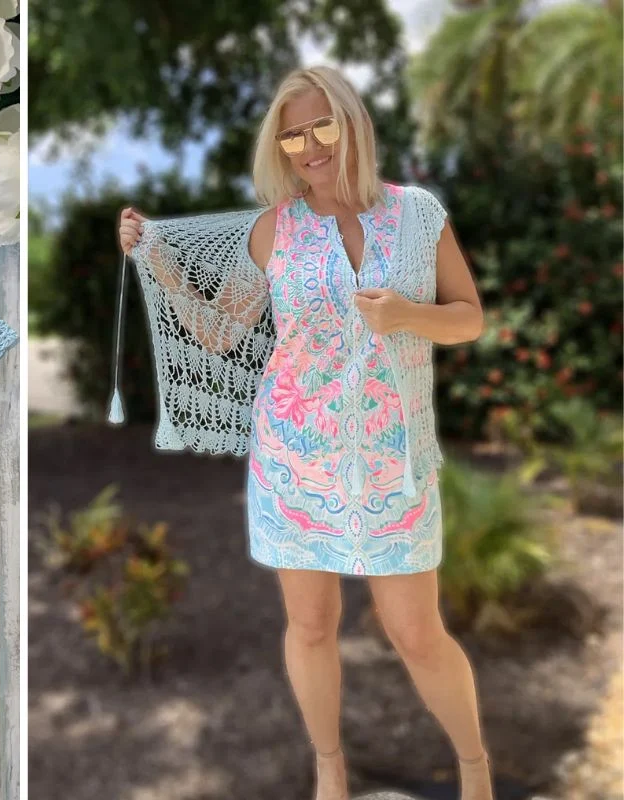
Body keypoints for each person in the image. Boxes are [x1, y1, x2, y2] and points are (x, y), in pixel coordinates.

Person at [117, 65, 492, 800]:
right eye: (291, 132)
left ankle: (474, 768)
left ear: (350, 124)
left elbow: (470, 316)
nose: (308, 145)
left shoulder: (417, 214)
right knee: (312, 625)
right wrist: (156, 262)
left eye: (321, 125)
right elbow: (222, 334)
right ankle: (330, 769)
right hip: (295, 458)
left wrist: (408, 315)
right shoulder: (276, 228)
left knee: (416, 633)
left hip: (394, 463)